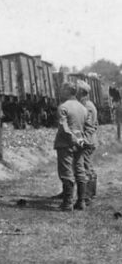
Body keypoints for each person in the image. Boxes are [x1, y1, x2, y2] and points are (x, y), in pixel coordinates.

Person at [53, 81, 92, 211]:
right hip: (80, 144)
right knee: (80, 170)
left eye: (62, 90)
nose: (60, 92)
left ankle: (67, 203)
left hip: (65, 144)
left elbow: (64, 128)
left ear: (67, 91)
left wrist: (73, 139)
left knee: (66, 172)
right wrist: (82, 140)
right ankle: (81, 202)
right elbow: (89, 128)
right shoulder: (83, 108)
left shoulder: (63, 107)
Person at [77, 79, 98, 207]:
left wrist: (82, 139)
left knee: (86, 168)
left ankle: (88, 196)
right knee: (86, 167)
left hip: (87, 141)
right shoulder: (86, 104)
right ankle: (89, 194)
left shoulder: (87, 106)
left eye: (77, 91)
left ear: (82, 92)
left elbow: (90, 127)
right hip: (88, 140)